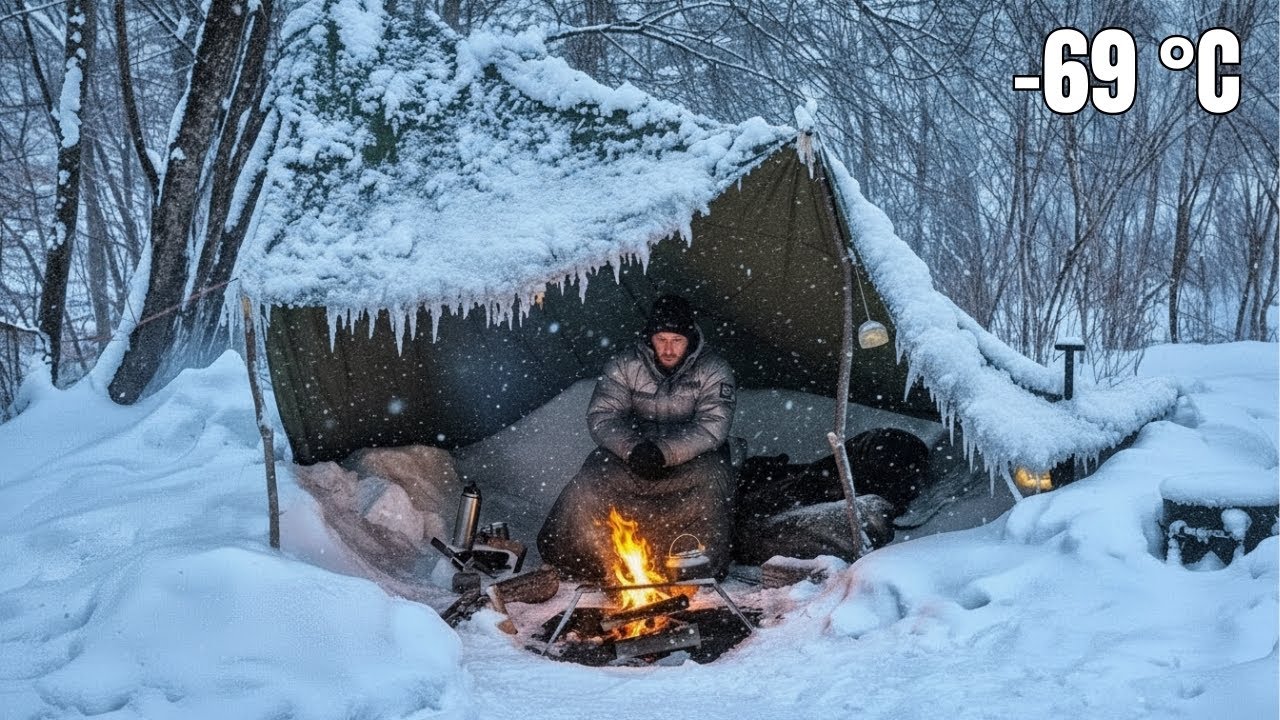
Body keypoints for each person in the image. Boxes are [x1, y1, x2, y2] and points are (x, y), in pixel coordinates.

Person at [537, 294, 737, 580]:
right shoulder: (624, 365)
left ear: (690, 340)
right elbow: (603, 416)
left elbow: (712, 427)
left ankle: (697, 564)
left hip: (692, 458)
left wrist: (664, 452)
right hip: (633, 455)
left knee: (712, 478)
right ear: (649, 339)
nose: (668, 349)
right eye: (661, 339)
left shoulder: (714, 370)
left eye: (676, 341)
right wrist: (632, 449)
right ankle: (582, 558)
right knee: (592, 478)